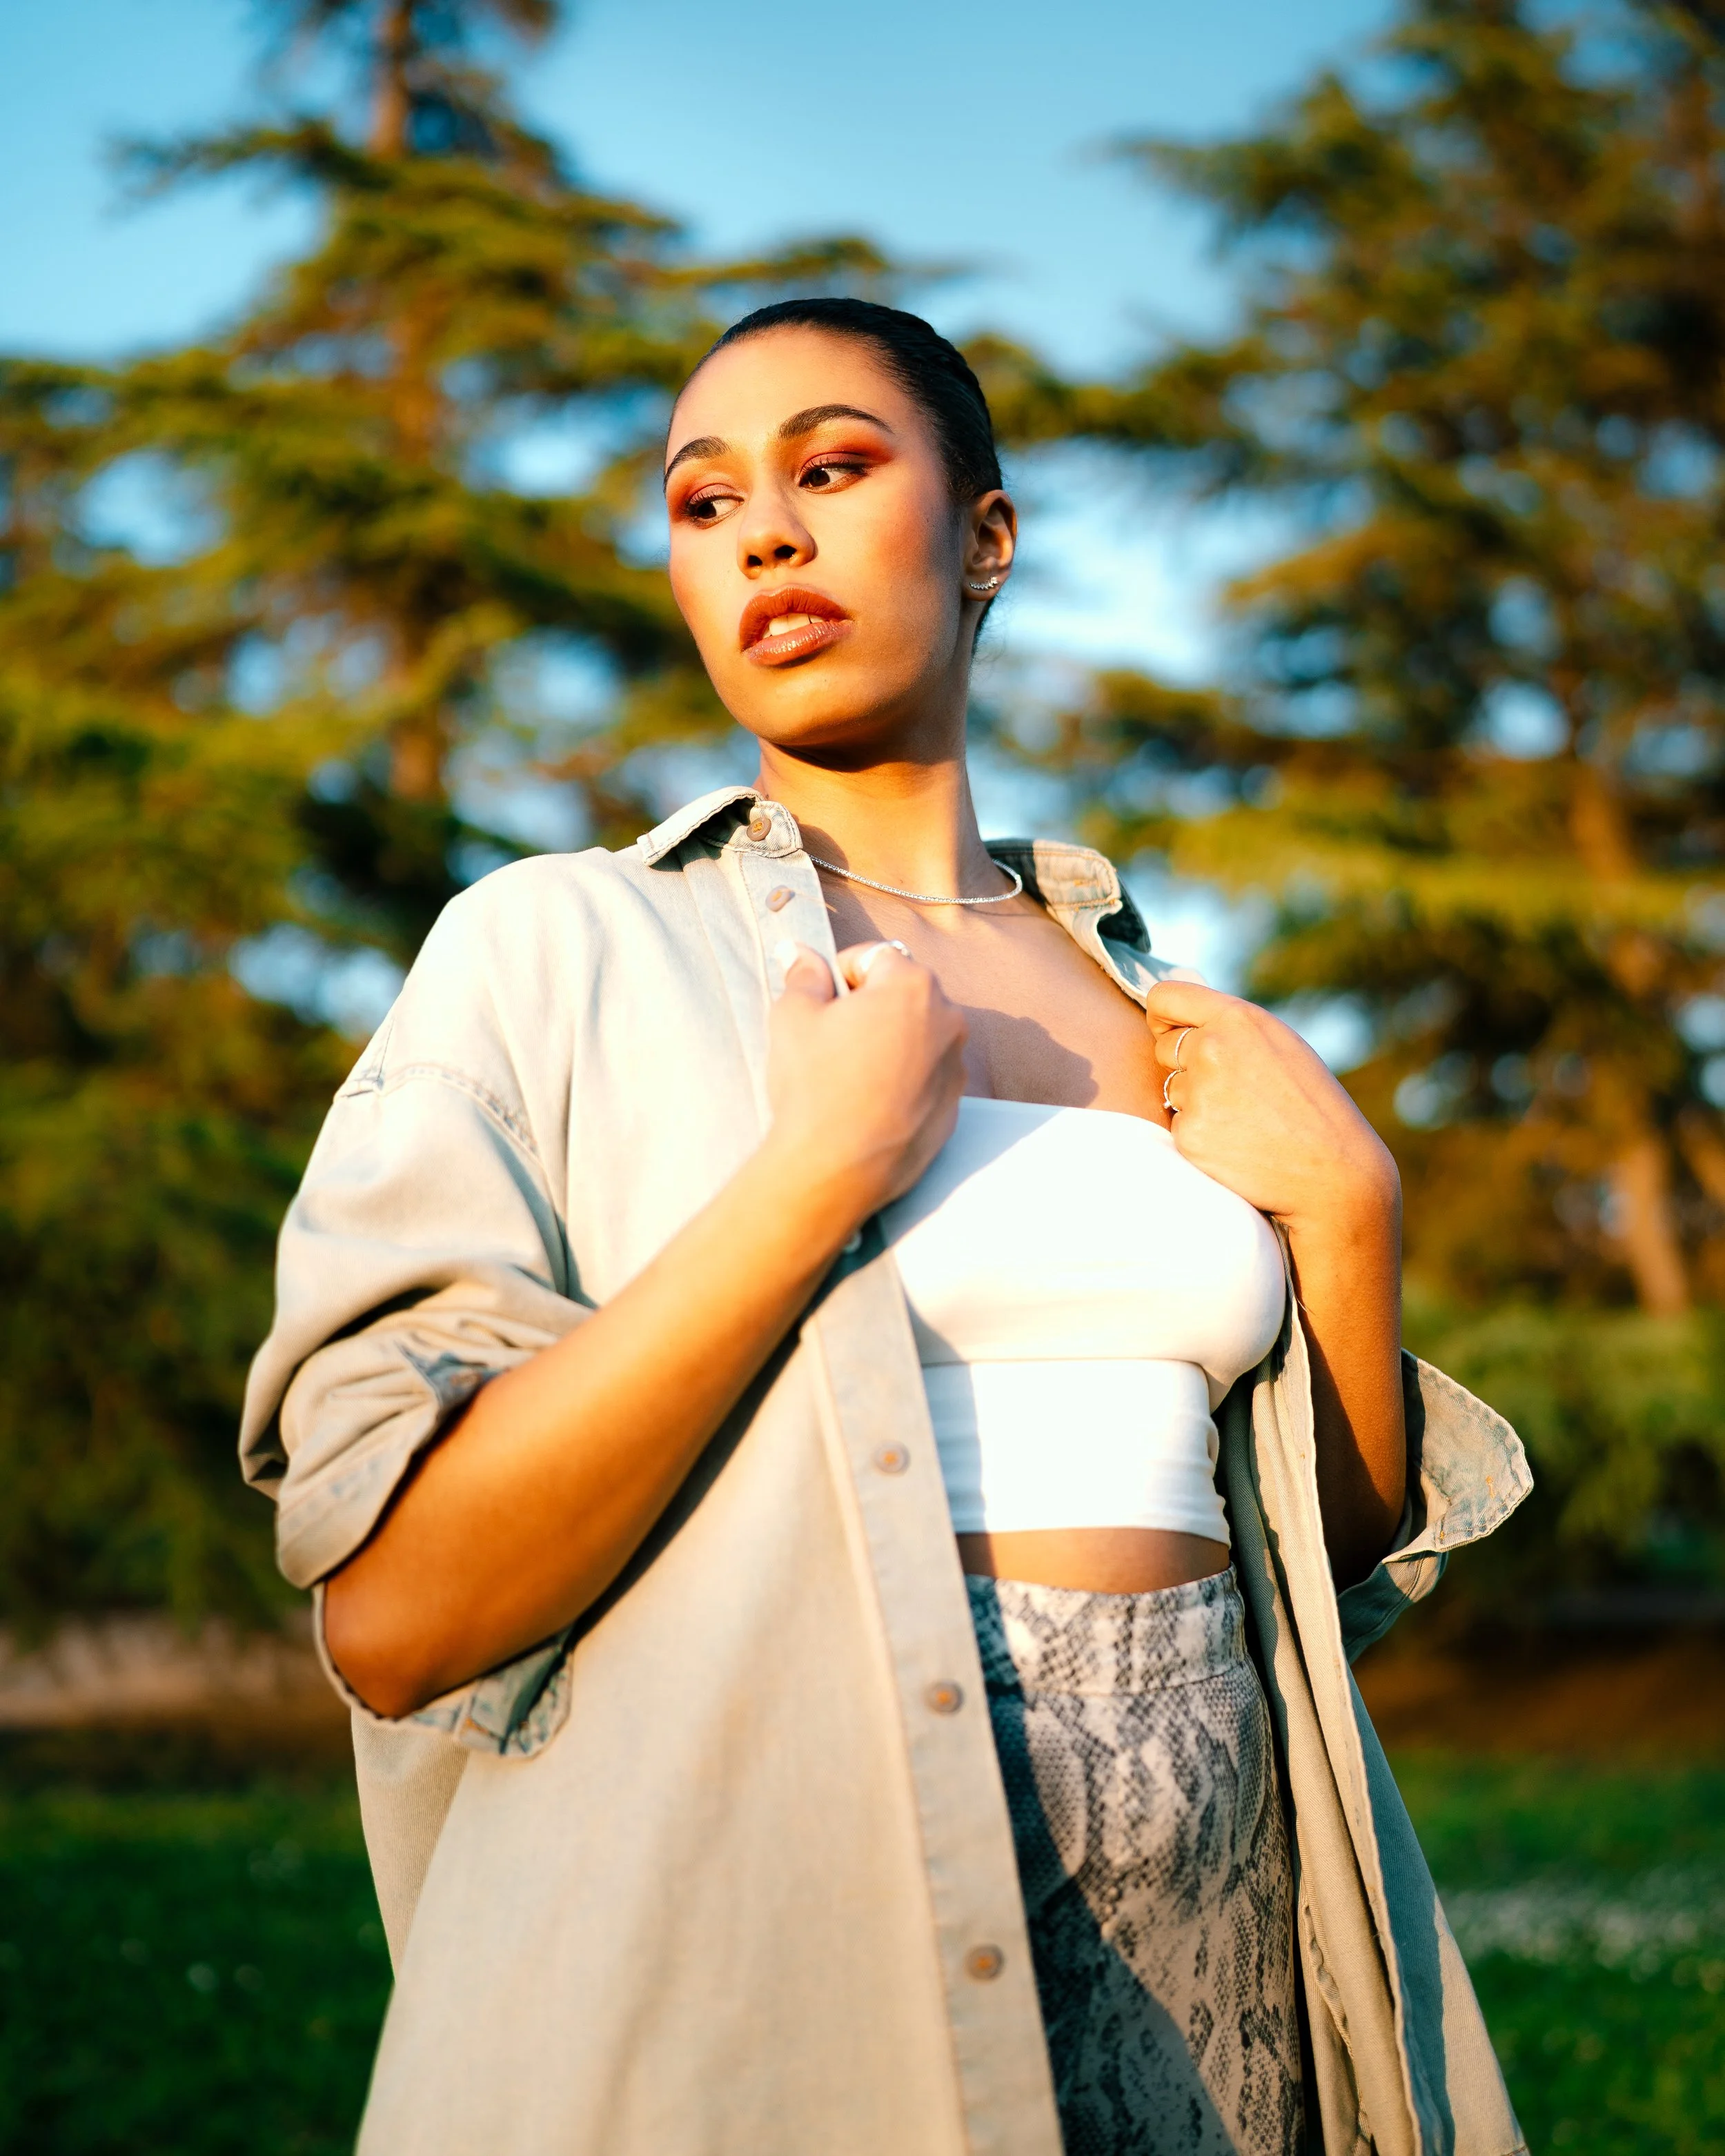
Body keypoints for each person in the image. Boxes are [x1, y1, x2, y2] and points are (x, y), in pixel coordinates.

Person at [241, 299, 1532, 2156]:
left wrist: (1348, 1210)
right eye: (703, 505)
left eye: (832, 470)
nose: (763, 531)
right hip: (788, 1975)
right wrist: (808, 1179)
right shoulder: (560, 948)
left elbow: (1305, 1568)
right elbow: (396, 1612)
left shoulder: (1165, 1007)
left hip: (1228, 1985)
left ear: (983, 536)